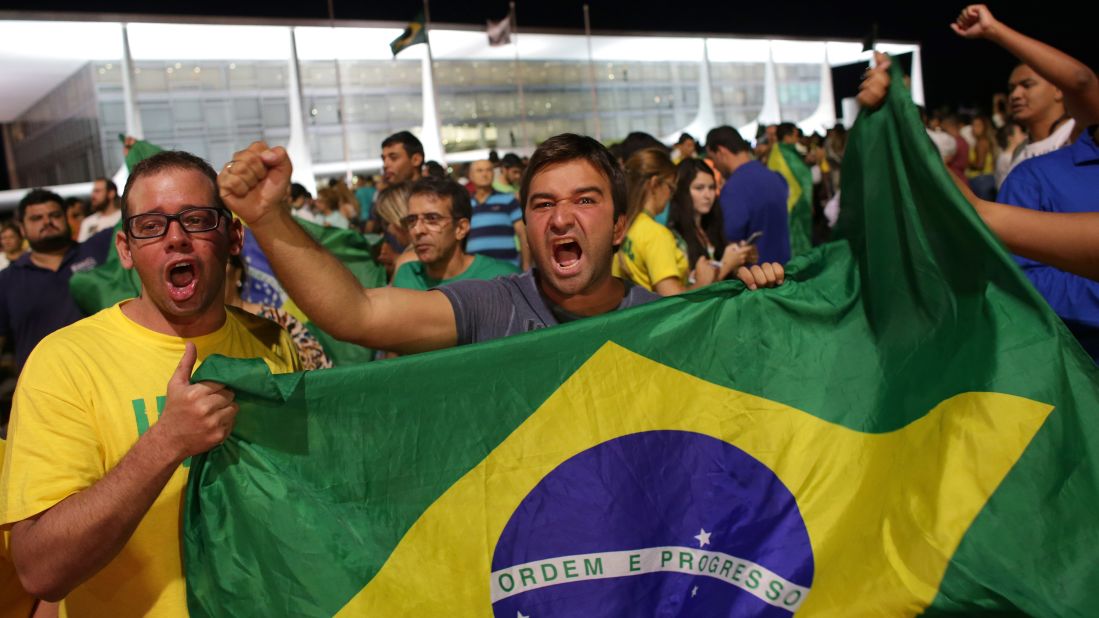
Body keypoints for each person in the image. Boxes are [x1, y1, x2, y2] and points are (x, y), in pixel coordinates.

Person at [0, 151, 301, 617]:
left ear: (233, 236)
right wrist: (166, 443)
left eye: (197, 220)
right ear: (125, 249)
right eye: (151, 225)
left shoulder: (273, 343)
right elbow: (41, 569)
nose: (176, 238)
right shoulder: (65, 362)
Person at [219, 134, 784, 355]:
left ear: (618, 228)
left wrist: (760, 304)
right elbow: (357, 313)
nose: (562, 217)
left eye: (585, 201)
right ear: (527, 226)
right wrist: (269, 218)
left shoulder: (666, 321)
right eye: (543, 204)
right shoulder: (494, 306)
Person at [954, 3, 1099, 361]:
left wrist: (994, 30)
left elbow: (1082, 81)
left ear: (1059, 91)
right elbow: (1019, 274)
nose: (1016, 94)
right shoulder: (1029, 168)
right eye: (1012, 87)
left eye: (1028, 84)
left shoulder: (1073, 133)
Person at [614, 149, 758, 296]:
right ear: (655, 184)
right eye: (671, 187)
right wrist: (709, 278)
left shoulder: (626, 225)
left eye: (712, 187)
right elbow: (673, 301)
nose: (708, 195)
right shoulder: (657, 233)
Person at [0, 190, 112, 373]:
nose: (47, 222)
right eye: (36, 218)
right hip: (45, 388)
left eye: (55, 215)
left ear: (66, 218)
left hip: (107, 375)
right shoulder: (6, 280)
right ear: (22, 228)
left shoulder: (100, 249)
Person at [391, 177, 519, 293]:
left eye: (432, 219)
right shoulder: (406, 277)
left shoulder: (501, 279)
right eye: (412, 220)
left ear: (461, 228)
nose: (418, 230)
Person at [225, 254, 331, 370]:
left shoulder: (278, 320)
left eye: (222, 261)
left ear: (237, 274)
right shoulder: (203, 330)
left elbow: (320, 372)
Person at [705, 126, 791, 264]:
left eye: (712, 159)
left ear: (721, 152)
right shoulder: (775, 177)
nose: (714, 166)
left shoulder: (734, 188)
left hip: (755, 276)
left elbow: (729, 238)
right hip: (782, 269)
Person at [667, 159, 758, 274]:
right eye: (699, 188)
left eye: (711, 188)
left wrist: (740, 258)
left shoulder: (710, 228)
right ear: (681, 191)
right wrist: (727, 264)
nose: (708, 195)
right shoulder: (673, 236)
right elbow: (689, 288)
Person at [466, 159, 530, 269]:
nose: (484, 174)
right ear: (470, 176)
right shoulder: (465, 205)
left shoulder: (508, 200)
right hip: (474, 271)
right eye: (479, 171)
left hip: (507, 268)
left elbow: (523, 234)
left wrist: (526, 266)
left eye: (488, 170)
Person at [966, 115, 998, 200]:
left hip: (981, 180)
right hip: (985, 180)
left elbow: (980, 165)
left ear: (984, 127)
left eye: (978, 125)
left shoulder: (981, 143)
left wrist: (968, 163)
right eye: (973, 125)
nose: (974, 128)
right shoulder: (983, 141)